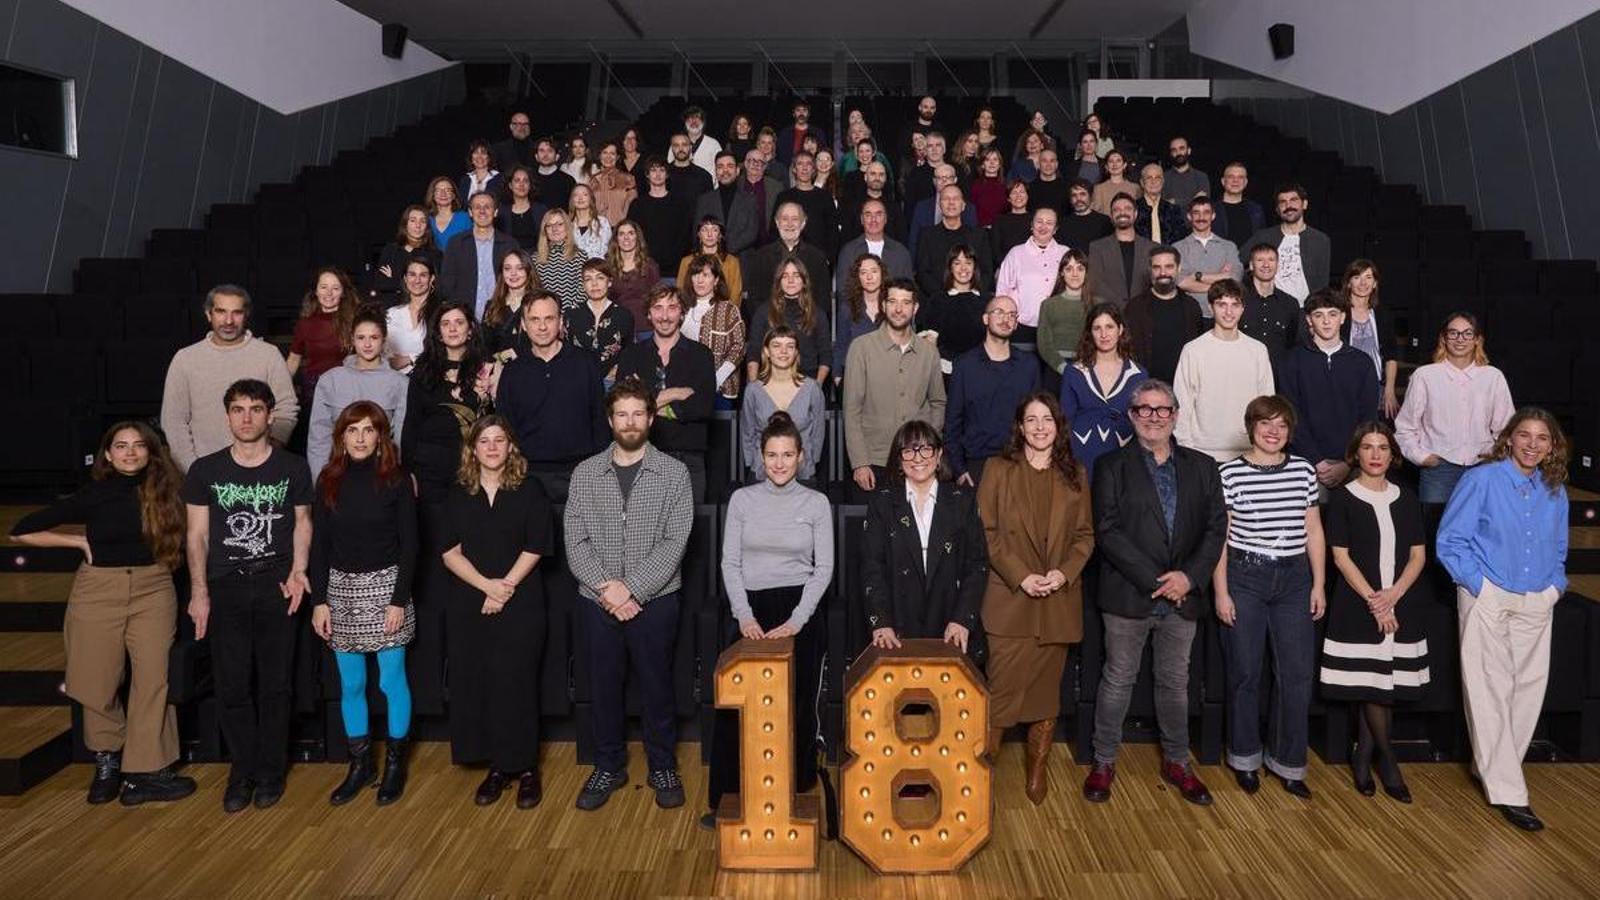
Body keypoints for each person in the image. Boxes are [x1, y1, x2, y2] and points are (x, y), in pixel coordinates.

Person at [9, 422, 196, 806]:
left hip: (153, 589)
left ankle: (146, 772)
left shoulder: (169, 492)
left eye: (138, 445)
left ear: (151, 452)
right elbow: (21, 530)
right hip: (98, 591)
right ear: (108, 455)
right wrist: (76, 540)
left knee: (153, 680)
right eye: (121, 446)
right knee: (97, 681)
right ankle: (107, 761)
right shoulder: (94, 494)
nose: (130, 453)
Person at [1083, 378, 1225, 806]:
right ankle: (1103, 761)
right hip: (1129, 595)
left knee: (1175, 684)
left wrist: (1189, 578)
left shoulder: (1203, 467)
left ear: (1175, 416)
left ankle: (1177, 762)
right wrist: (1158, 582)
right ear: (1132, 416)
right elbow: (1108, 531)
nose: (1154, 417)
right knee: (1118, 679)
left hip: (1184, 597)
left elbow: (1216, 527)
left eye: (1162, 409)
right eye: (1144, 409)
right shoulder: (1110, 465)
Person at [182, 379, 314, 813]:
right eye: (238, 409)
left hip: (277, 584)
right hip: (227, 585)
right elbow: (197, 536)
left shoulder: (292, 467)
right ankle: (243, 770)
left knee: (276, 685)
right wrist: (199, 592)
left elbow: (303, 523)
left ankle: (271, 771)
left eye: (255, 409)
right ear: (227, 416)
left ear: (270, 415)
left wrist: (298, 571)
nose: (246, 418)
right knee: (232, 684)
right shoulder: (205, 470)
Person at [565, 379, 695, 812]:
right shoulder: (585, 473)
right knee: (603, 686)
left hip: (656, 599)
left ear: (651, 418)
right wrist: (608, 589)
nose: (630, 422)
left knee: (658, 685)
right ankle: (608, 765)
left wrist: (633, 588)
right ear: (610, 420)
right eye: (622, 414)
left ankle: (662, 765)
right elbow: (575, 540)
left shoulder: (674, 473)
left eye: (638, 413)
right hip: (597, 599)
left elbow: (675, 541)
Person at [1437, 409, 1570, 832]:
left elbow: (1560, 546)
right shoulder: (1482, 480)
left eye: (1542, 438)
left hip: (1537, 598)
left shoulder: (1554, 489)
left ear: (1552, 445)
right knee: (1489, 691)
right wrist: (1479, 586)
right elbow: (1450, 541)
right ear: (1509, 438)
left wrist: (1554, 587)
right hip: (1489, 595)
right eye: (1524, 435)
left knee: (1527, 692)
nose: (1532, 444)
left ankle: (1491, 766)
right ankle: (1511, 792)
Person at [701, 412, 834, 829]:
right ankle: (728, 798)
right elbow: (730, 563)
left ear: (801, 457)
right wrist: (743, 615)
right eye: (772, 455)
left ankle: (791, 794)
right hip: (748, 609)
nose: (779, 463)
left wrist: (797, 620)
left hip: (798, 610)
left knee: (795, 703)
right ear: (760, 457)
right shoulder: (743, 500)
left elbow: (823, 569)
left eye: (787, 455)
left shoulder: (816, 503)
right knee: (735, 706)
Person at [977, 394, 1095, 804]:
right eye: (1032, 419)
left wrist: (1064, 573)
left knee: (1045, 695)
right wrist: (1022, 577)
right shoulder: (997, 469)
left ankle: (1037, 770)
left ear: (1058, 426)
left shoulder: (1075, 473)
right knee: (1001, 695)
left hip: (1057, 603)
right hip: (1010, 601)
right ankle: (977, 778)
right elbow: (987, 532)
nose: (1040, 427)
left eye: (1047, 419)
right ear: (1020, 427)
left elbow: (1085, 536)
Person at [1214, 395, 1326, 799]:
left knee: (1295, 675)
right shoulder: (1228, 473)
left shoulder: (1302, 470)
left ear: (1289, 432)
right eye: (1265, 423)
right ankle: (1245, 758)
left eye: (1281, 425)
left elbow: (1313, 529)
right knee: (1245, 672)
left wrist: (1318, 583)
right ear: (1252, 428)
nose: (1273, 431)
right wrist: (1221, 592)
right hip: (1245, 576)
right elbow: (1221, 538)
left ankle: (1288, 762)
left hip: (1294, 578)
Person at [440, 416, 553, 810]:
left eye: (499, 440)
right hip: (470, 602)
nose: (491, 447)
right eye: (484, 441)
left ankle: (526, 768)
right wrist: (486, 587)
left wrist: (503, 588)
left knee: (516, 684)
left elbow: (536, 545)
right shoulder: (457, 493)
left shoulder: (530, 489)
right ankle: (497, 767)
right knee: (481, 683)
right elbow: (449, 551)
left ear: (510, 446)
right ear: (472, 449)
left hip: (521, 601)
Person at [309, 402, 417, 807]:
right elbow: (319, 546)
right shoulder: (328, 481)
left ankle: (394, 765)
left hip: (387, 587)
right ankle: (360, 765)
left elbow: (411, 545)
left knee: (391, 681)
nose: (359, 438)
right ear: (341, 437)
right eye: (352, 430)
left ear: (380, 437)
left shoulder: (396, 480)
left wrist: (398, 600)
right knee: (351, 684)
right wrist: (320, 601)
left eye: (368, 430)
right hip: (341, 591)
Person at [1318, 422, 1430, 803]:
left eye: (1383, 447)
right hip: (1357, 603)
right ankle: (1388, 761)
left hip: (1402, 601)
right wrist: (1375, 601)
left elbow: (1418, 555)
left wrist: (1393, 595)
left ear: (1393, 455)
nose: (1376, 454)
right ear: (1356, 454)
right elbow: (1340, 557)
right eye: (1368, 447)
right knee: (1372, 686)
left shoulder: (1407, 497)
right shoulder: (1343, 498)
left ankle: (1364, 754)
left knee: (1383, 687)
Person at [401, 300, 492, 716]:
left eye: (459, 322)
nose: (453, 329)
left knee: (475, 563)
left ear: (470, 329)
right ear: (437, 332)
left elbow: (497, 427)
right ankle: (435, 683)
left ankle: (473, 664)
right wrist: (410, 474)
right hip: (433, 481)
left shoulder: (486, 370)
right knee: (438, 569)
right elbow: (411, 428)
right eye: (446, 324)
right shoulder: (423, 373)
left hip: (474, 480)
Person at [862, 420, 988, 653]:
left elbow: (977, 565)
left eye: (926, 449)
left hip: (952, 624)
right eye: (909, 451)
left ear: (938, 455)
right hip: (896, 628)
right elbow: (872, 567)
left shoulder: (963, 501)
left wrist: (962, 619)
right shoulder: (882, 503)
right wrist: (881, 622)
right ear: (899, 460)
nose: (918, 458)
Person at [161, 285, 298, 472]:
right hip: (203, 469)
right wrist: (194, 469)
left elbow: (286, 408)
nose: (228, 321)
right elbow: (173, 420)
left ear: (246, 315)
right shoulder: (185, 359)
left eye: (237, 313)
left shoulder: (269, 355)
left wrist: (266, 456)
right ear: (208, 314)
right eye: (221, 312)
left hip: (261, 470)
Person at [495, 293, 608, 504]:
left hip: (580, 474)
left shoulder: (586, 363)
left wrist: (600, 473)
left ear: (560, 321)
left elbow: (600, 420)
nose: (542, 327)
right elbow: (505, 426)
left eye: (549, 318)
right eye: (534, 320)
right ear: (524, 325)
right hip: (528, 476)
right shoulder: (512, 372)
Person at [1394, 313, 1515, 504]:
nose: (1460, 339)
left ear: (1477, 339)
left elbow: (1507, 427)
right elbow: (1405, 427)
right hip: (1439, 471)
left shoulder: (1493, 377)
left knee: (1482, 522)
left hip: (1482, 467)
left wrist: (1495, 455)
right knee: (1436, 522)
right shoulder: (1425, 376)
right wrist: (1422, 458)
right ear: (1443, 338)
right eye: (1453, 333)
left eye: (1467, 333)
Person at [843, 278, 946, 499]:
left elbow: (938, 402)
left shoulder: (929, 352)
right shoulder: (861, 348)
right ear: (883, 305)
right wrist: (860, 462)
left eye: (906, 303)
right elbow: (852, 410)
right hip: (874, 461)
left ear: (915, 308)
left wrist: (928, 445)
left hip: (918, 461)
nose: (899, 309)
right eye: (892, 302)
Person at [615, 286, 717, 503]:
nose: (664, 316)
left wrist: (645, 403)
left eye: (672, 308)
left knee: (691, 525)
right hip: (640, 458)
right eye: (657, 308)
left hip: (688, 460)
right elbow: (622, 407)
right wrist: (674, 393)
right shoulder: (631, 355)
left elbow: (703, 407)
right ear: (648, 314)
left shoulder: (701, 355)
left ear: (682, 313)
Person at [1278, 290, 1379, 493]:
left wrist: (1348, 462)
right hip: (1306, 463)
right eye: (1319, 315)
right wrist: (1316, 461)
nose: (1326, 321)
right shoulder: (1292, 361)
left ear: (1342, 317)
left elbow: (1368, 418)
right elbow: (1291, 415)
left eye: (1332, 314)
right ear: (1309, 320)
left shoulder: (1362, 363)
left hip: (1352, 464)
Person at [1172, 281, 1276, 462]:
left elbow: (1266, 403)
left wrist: (1262, 447)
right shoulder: (1193, 350)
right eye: (1222, 305)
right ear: (1211, 308)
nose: (1229, 312)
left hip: (1249, 452)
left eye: (1235, 305)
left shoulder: (1257, 350)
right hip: (1203, 453)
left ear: (1243, 308)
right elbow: (1182, 403)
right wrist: (1187, 450)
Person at [943, 295, 1039, 485]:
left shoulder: (1029, 365)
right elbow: (953, 423)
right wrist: (959, 469)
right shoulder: (964, 366)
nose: (1006, 319)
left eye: (1011, 315)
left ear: (1016, 323)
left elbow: (1035, 418)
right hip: (977, 465)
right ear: (986, 318)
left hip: (1019, 463)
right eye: (999, 312)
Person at [307, 308, 409, 475]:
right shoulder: (330, 380)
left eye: (374, 337)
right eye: (361, 338)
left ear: (383, 340)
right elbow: (319, 438)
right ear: (352, 339)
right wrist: (320, 479)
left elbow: (400, 440)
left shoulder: (400, 383)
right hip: (337, 472)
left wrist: (397, 478)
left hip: (382, 473)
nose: (367, 344)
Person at [1059, 303, 1143, 475]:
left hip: (1122, 459)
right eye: (1097, 328)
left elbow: (1142, 424)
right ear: (1090, 333)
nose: (1104, 334)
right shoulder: (1074, 372)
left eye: (1109, 327)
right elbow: (1064, 421)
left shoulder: (1138, 375)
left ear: (1120, 330)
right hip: (1081, 458)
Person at [1123, 245, 1203, 384]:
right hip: (1145, 387)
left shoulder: (1191, 307)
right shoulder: (1134, 308)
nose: (1163, 273)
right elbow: (1125, 351)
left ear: (1178, 268)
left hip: (1185, 385)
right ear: (1150, 270)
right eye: (1157, 267)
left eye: (1169, 267)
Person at [745, 257, 833, 383]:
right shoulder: (763, 312)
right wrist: (753, 387)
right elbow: (753, 351)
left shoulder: (818, 314)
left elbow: (826, 355)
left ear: (804, 281)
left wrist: (816, 387)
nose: (790, 280)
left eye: (796, 275)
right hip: (771, 380)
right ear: (779, 281)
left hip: (808, 380)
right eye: (785, 276)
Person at [286, 268, 358, 417]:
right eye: (324, 287)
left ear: (343, 293)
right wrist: (278, 389)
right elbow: (293, 360)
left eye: (335, 288)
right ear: (316, 291)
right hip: (313, 389)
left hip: (346, 386)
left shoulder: (355, 322)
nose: (329, 293)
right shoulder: (304, 324)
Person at [1242, 184, 1330, 303]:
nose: (1288, 206)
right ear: (1277, 210)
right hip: (1270, 306)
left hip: (1306, 308)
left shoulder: (1320, 240)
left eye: (1293, 200)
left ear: (1304, 204)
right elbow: (1238, 263)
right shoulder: (1264, 236)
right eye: (1283, 202)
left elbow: (1323, 282)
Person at [679, 253, 746, 409]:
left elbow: (738, 348)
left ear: (716, 280)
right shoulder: (682, 308)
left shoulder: (728, 310)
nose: (699, 280)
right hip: (685, 386)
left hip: (719, 390)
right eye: (695, 274)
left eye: (706, 275)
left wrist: (716, 379)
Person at [742, 201, 832, 313]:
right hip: (770, 320)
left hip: (807, 321)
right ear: (777, 222)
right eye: (784, 219)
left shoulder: (817, 258)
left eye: (795, 219)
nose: (789, 224)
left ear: (803, 223)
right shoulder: (761, 257)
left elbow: (823, 301)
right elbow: (754, 299)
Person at [994, 207, 1068, 342]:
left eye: (1049, 223)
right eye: (1039, 222)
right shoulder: (1016, 253)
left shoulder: (1065, 253)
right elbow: (1002, 291)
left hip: (1058, 328)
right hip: (1022, 328)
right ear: (1031, 225)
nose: (1043, 226)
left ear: (1055, 229)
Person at [440, 191, 518, 319]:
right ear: (470, 212)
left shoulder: (509, 244)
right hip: (464, 318)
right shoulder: (456, 243)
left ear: (495, 212)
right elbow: (447, 282)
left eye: (487, 207)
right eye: (477, 207)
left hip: (500, 317)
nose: (482, 211)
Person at [1340, 259, 1400, 418]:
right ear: (1348, 283)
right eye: (1357, 277)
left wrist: (1389, 390)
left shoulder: (1382, 314)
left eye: (1368, 277)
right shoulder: (1338, 312)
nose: (1363, 283)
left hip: (1376, 386)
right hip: (1344, 386)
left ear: (1375, 283)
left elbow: (1391, 355)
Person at [914, 184, 992, 301]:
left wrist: (972, 293)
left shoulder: (979, 235)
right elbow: (923, 272)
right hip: (938, 300)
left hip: (973, 300)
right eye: (946, 199)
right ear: (940, 205)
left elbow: (987, 271)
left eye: (955, 198)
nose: (951, 202)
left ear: (963, 205)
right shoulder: (927, 235)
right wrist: (944, 296)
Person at [924, 244, 992, 369]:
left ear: (975, 267)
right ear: (950, 267)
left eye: (968, 263)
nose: (963, 268)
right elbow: (930, 342)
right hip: (946, 369)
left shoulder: (987, 301)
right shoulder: (937, 300)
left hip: (982, 368)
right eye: (957, 263)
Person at [563, 258, 634, 379]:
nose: (594, 284)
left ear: (609, 282)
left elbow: (629, 350)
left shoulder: (623, 315)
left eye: (600, 278)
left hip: (612, 381)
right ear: (583, 284)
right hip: (578, 379)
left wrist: (619, 369)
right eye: (588, 279)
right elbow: (565, 349)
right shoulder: (572, 314)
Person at [1238, 243, 1302, 372]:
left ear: (1278, 265)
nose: (1266, 265)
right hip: (1243, 372)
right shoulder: (1238, 301)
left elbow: (1292, 344)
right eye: (1260, 260)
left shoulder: (1290, 304)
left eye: (1271, 260)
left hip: (1278, 375)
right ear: (1251, 265)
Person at [1173, 197, 1240, 319]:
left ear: (1213, 216)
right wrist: (1221, 280)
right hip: (1190, 314)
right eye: (1196, 213)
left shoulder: (1228, 247)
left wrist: (1196, 276)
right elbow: (1181, 282)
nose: (1201, 217)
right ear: (1189, 216)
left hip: (1223, 315)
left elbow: (1235, 277)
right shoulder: (1178, 248)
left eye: (1206, 212)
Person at [835, 197, 914, 298]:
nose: (873, 220)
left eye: (878, 214)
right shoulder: (848, 252)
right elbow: (843, 292)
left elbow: (908, 291)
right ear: (862, 220)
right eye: (868, 215)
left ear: (885, 219)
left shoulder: (900, 252)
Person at [1086, 194, 1154, 304]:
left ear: (1135, 214)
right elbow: (1095, 283)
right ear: (1111, 216)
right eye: (1116, 210)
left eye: (1127, 208)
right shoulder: (1097, 247)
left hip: (1145, 310)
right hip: (1110, 310)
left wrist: (1138, 308)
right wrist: (1120, 307)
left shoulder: (1152, 248)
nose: (1122, 213)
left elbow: (1155, 284)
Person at [1036, 249, 1094, 375]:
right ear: (1062, 273)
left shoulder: (1096, 305)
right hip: (1055, 368)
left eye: (1080, 269)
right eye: (1069, 269)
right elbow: (1044, 344)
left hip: (1088, 368)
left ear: (1086, 272)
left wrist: (1085, 366)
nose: (1075, 274)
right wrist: (1064, 368)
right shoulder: (1048, 305)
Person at [631, 158, 692, 274]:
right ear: (647, 174)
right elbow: (634, 236)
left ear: (667, 174)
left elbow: (686, 236)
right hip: (646, 268)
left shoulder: (680, 204)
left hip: (675, 268)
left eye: (662, 170)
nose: (658, 174)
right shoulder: (637, 205)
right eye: (653, 170)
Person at [694, 151, 760, 255]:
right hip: (710, 259)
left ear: (737, 171)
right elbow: (697, 232)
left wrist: (724, 250)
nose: (725, 170)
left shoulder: (750, 200)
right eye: (720, 167)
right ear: (715, 171)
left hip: (742, 260)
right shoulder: (704, 200)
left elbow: (751, 233)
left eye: (730, 166)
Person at [372, 206, 441, 302]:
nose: (418, 225)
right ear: (405, 224)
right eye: (413, 220)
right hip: (393, 306)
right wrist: (417, 285)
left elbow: (437, 287)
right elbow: (382, 283)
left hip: (424, 306)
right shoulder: (391, 250)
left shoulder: (434, 254)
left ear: (427, 227)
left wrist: (394, 280)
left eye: (423, 221)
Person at [677, 216, 745, 310]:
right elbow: (681, 291)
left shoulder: (731, 262)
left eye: (715, 230)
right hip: (693, 310)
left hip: (723, 311)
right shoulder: (687, 261)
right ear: (699, 235)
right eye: (704, 230)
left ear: (720, 235)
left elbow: (736, 294)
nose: (709, 234)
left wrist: (726, 313)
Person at [480, 249, 538, 357]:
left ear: (528, 271)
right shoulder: (492, 306)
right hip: (498, 366)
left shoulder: (540, 304)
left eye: (520, 268)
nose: (513, 273)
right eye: (507, 268)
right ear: (502, 273)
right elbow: (484, 346)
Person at [834, 252, 885, 375]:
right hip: (855, 373)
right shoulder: (847, 308)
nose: (869, 277)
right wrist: (837, 376)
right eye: (863, 272)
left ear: (882, 274)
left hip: (887, 373)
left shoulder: (892, 306)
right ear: (858, 277)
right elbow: (841, 346)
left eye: (874, 271)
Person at [606, 220, 661, 329]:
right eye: (621, 234)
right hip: (618, 326)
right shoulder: (608, 267)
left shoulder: (650, 266)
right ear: (616, 239)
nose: (626, 237)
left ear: (637, 238)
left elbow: (658, 298)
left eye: (630, 233)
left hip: (645, 327)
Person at [840, 161, 906, 244]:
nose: (877, 178)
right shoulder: (853, 207)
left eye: (881, 174)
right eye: (873, 174)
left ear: (885, 178)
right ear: (865, 177)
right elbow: (846, 240)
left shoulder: (894, 208)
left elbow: (901, 239)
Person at [533, 209, 586, 311]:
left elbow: (583, 290)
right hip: (544, 314)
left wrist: (570, 313)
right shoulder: (536, 258)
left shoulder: (580, 256)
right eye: (549, 225)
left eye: (560, 224)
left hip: (573, 314)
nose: (554, 229)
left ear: (567, 227)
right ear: (545, 230)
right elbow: (534, 291)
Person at [738, 148, 784, 248]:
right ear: (745, 164)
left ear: (765, 166)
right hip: (739, 244)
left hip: (767, 244)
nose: (755, 164)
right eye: (752, 160)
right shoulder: (735, 185)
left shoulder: (776, 188)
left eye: (760, 162)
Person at [1133, 164, 1189, 245]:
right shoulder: (1133, 209)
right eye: (1149, 178)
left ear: (1162, 182)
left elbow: (1181, 240)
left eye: (1157, 178)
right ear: (1142, 182)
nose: (1153, 182)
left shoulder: (1173, 210)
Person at [497, 166, 549, 251]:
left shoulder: (541, 210)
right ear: (510, 185)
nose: (521, 184)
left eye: (525, 181)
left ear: (530, 185)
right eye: (517, 180)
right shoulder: (502, 211)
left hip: (537, 256)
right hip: (509, 256)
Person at [1212, 162, 1265, 245]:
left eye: (1240, 177)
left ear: (1245, 182)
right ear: (1223, 181)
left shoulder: (1256, 210)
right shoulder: (1211, 209)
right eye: (1231, 177)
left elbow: (1262, 240)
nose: (1235, 181)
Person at [1056, 179, 1114, 252]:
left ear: (1091, 197)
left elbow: (1110, 249)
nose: (1078, 199)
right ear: (1070, 199)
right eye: (1074, 195)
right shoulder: (1063, 223)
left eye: (1082, 194)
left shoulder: (1104, 221)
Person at [589, 141, 637, 225]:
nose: (608, 157)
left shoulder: (628, 179)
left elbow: (632, 205)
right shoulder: (592, 180)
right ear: (600, 156)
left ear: (617, 157)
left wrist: (623, 222)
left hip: (620, 227)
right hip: (597, 227)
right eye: (605, 153)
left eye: (612, 153)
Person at [990, 179, 1034, 261]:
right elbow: (996, 252)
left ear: (1027, 196)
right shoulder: (999, 221)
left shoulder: (1036, 219)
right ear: (1008, 198)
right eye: (1014, 193)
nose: (1018, 196)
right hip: (1006, 265)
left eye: (1022, 192)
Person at [531, 137, 577, 212]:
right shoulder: (529, 180)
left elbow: (573, 208)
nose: (545, 154)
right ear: (536, 156)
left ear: (557, 157)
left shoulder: (568, 181)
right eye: (542, 151)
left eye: (550, 151)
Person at [424, 176, 471, 250]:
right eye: (438, 190)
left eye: (448, 190)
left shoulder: (464, 218)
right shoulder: (426, 219)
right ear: (433, 195)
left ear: (453, 195)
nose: (443, 194)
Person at [568, 184, 613, 260]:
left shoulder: (602, 222)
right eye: (576, 195)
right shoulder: (567, 225)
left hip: (598, 266)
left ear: (591, 199)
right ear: (572, 200)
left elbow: (609, 250)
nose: (580, 198)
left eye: (585, 194)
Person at [1090, 150, 1138, 216]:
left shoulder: (1135, 188)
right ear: (1106, 166)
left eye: (1118, 161)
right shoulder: (1099, 188)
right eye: (1111, 161)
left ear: (1124, 165)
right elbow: (1095, 212)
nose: (1115, 164)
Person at [1162, 137, 1210, 202]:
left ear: (1189, 151)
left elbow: (1203, 204)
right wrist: (1193, 200)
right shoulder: (1163, 178)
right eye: (1174, 150)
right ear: (1171, 153)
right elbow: (1163, 205)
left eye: (1181, 148)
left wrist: (1175, 201)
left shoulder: (1201, 177)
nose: (1178, 153)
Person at [667, 131, 714, 198]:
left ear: (690, 147)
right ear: (672, 148)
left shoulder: (704, 176)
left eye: (684, 145)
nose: (680, 149)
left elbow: (710, 202)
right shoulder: (664, 175)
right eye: (676, 145)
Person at [679, 105, 723, 176]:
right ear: (685, 122)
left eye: (697, 118)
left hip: (708, 183)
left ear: (703, 122)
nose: (694, 121)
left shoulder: (713, 144)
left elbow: (721, 166)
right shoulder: (677, 144)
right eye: (690, 118)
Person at [969, 148, 1008, 227]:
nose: (992, 163)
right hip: (981, 229)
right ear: (982, 165)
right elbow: (972, 210)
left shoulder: (1006, 185)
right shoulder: (976, 185)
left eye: (995, 159)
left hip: (1002, 228)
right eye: (987, 159)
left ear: (999, 164)